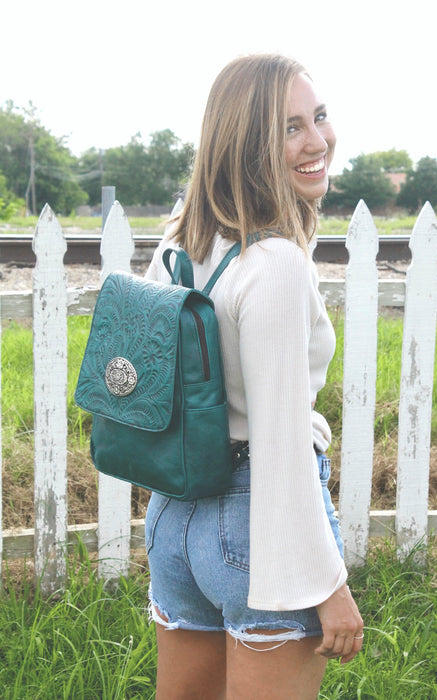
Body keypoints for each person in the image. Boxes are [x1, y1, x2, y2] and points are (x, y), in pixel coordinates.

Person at [145, 53, 364, 699]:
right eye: (290, 127)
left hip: (173, 518)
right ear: (247, 142)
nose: (317, 140)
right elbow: (281, 443)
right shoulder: (273, 264)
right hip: (254, 526)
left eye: (318, 118)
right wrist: (328, 586)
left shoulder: (176, 245)